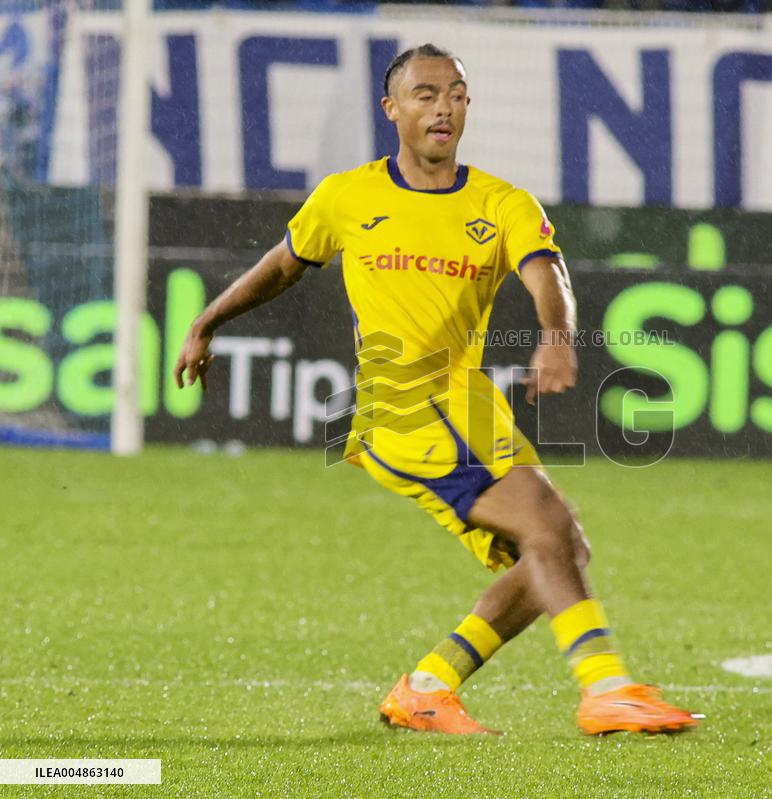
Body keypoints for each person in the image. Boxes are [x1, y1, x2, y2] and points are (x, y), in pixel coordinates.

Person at [173, 43, 700, 736]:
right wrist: (208, 321)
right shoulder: (347, 195)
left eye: (455, 92)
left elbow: (548, 275)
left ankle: (428, 685)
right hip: (402, 406)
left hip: (469, 402)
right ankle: (606, 687)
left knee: (558, 545)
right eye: (424, 94)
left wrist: (557, 333)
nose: (442, 107)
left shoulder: (502, 203)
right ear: (391, 109)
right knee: (545, 525)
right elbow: (283, 264)